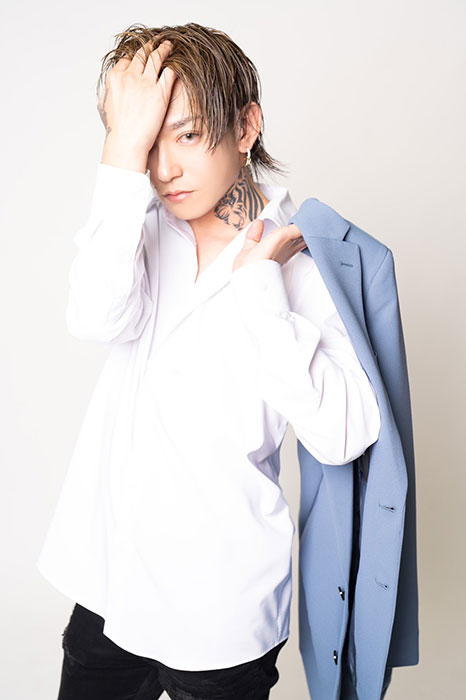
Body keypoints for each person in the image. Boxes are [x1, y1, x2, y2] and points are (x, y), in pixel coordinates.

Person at [37, 22, 381, 700]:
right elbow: (94, 318)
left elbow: (346, 433)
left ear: (246, 126)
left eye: (188, 135)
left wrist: (261, 289)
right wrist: (119, 152)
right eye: (148, 143)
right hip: (111, 587)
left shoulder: (307, 263)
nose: (164, 169)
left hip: (221, 607)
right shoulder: (137, 230)